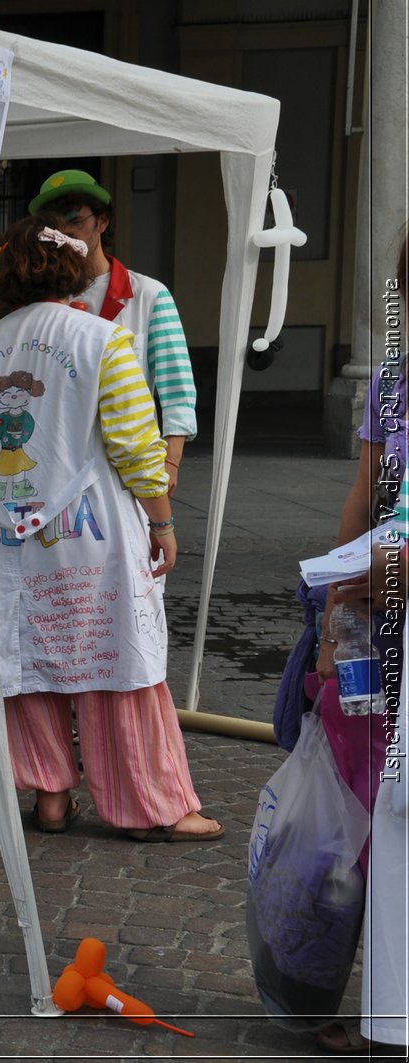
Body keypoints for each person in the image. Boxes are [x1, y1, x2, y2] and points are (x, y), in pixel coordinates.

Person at [0, 215, 221, 843]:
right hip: (89, 534)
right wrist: (163, 520)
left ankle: (49, 796)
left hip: (0, 531)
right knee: (114, 661)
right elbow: (136, 445)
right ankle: (151, 806)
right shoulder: (103, 340)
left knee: (24, 662)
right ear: (73, 270)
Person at [310, 230, 409, 1055]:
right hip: (390, 614)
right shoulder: (394, 382)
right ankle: (389, 1007)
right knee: (390, 804)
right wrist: (335, 610)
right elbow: (364, 499)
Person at [31, 169, 197, 494]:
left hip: (125, 468)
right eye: (54, 226)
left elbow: (177, 389)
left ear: (102, 222)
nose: (65, 232)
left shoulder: (149, 295)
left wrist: (170, 461)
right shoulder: (41, 300)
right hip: (57, 466)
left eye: (75, 221)